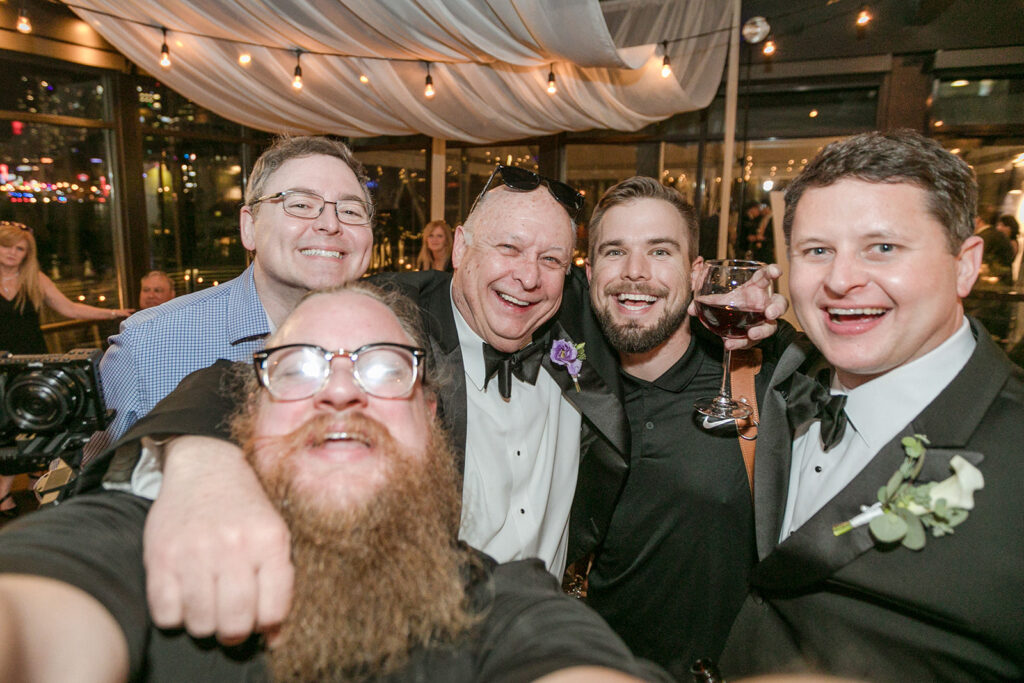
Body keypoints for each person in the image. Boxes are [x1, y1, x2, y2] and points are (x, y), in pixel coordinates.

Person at [0, 282, 664, 682]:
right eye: (298, 369)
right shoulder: (146, 540)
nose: (341, 390)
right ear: (248, 416)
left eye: (382, 368)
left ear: (430, 418)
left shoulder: (503, 601)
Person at [719, 131, 1024, 682]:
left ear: (965, 264)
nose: (840, 280)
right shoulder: (788, 381)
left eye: (882, 247)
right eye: (817, 251)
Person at [579, 177, 791, 679]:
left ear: (696, 273)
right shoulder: (563, 386)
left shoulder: (756, 382)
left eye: (660, 251)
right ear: (589, 272)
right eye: (614, 252)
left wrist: (793, 335)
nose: (635, 273)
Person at [83, 135, 374, 462]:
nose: (330, 224)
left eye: (350, 210)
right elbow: (85, 490)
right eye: (301, 205)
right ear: (249, 227)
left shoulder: (394, 345)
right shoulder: (149, 346)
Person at [0, 220, 132, 517]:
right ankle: (15, 487)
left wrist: (114, 313)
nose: (12, 253)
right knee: (7, 428)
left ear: (27, 253)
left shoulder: (35, 278)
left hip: (32, 364)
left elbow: (70, 309)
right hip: (1, 367)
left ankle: (34, 483)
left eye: (19, 248)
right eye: (6, 246)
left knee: (39, 423)